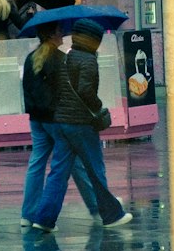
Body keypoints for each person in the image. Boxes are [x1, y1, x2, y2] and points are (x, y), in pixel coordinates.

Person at [32, 19, 133, 231]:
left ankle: (44, 219)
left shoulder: (65, 57)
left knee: (58, 172)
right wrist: (98, 106)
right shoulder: (88, 60)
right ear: (92, 40)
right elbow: (86, 90)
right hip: (81, 123)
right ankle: (112, 215)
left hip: (62, 122)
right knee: (95, 169)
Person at [20, 24, 102, 228]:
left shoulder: (31, 57)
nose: (63, 34)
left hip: (36, 119)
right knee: (73, 163)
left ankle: (28, 214)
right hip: (55, 119)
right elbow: (67, 90)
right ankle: (96, 206)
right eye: (59, 31)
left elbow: (27, 88)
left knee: (37, 163)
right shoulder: (59, 59)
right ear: (51, 35)